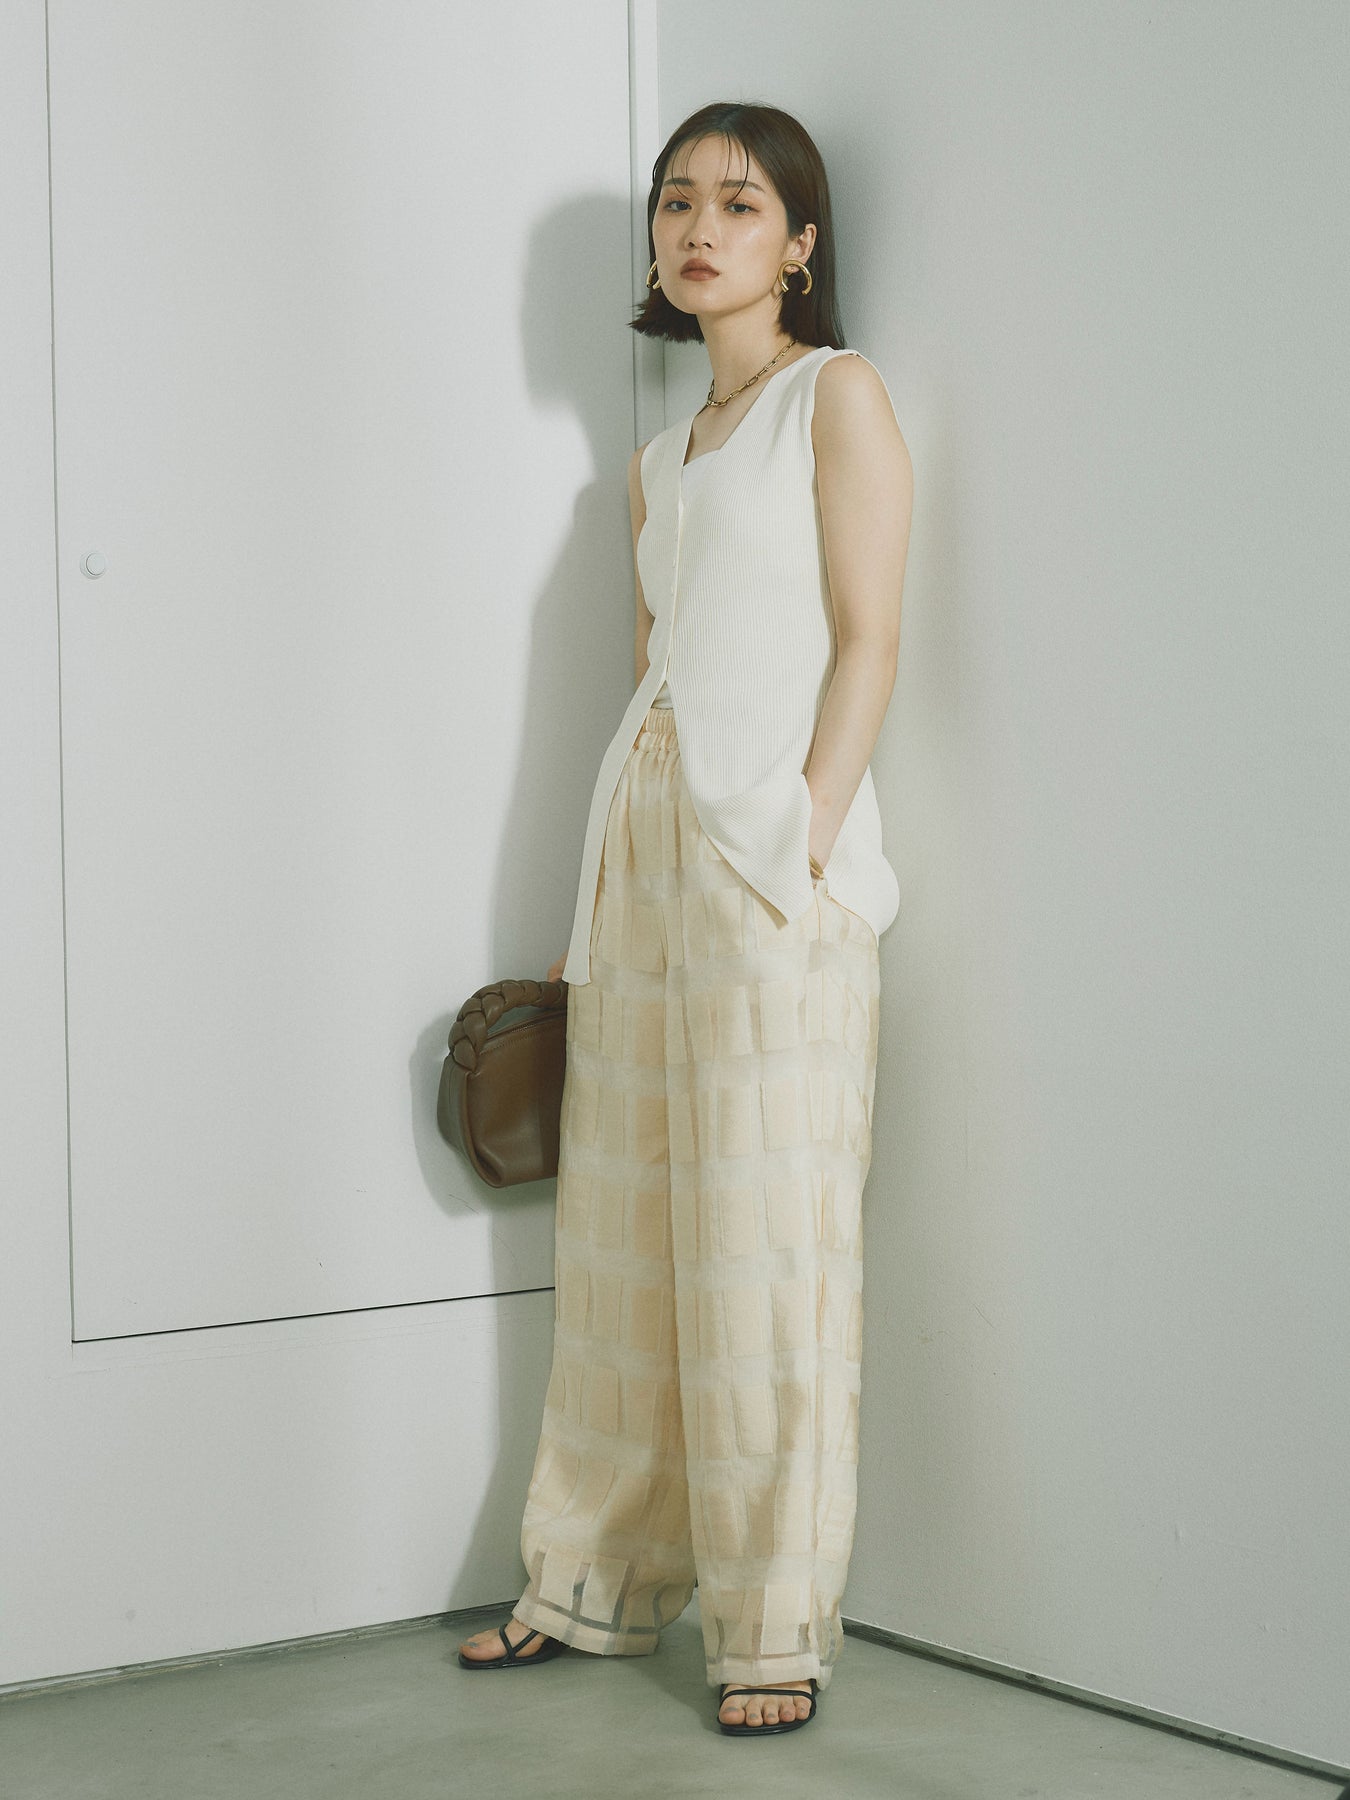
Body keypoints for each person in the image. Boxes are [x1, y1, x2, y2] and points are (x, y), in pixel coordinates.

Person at [459, 100, 913, 1738]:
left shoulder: (832, 397)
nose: (697, 228)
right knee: (622, 1249)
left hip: (766, 867)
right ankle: (586, 1582)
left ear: (798, 243)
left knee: (766, 1257)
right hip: (640, 863)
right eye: (674, 203)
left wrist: (799, 844)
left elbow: (867, 637)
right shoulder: (659, 463)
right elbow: (655, 665)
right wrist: (602, 893)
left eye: (737, 203)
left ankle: (769, 1630)